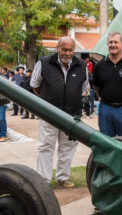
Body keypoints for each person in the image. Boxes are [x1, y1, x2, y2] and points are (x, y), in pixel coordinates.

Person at [30, 36, 89, 187]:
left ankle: (63, 177)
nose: (68, 53)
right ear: (58, 48)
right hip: (49, 114)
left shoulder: (81, 65)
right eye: (64, 49)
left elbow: (84, 88)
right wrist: (47, 100)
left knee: (68, 147)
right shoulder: (43, 63)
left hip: (72, 115)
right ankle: (43, 180)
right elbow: (35, 85)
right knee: (45, 146)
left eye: (71, 50)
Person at [93, 31, 122, 137]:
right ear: (107, 44)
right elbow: (96, 86)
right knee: (106, 142)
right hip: (105, 109)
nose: (113, 45)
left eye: (116, 42)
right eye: (110, 42)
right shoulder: (100, 65)